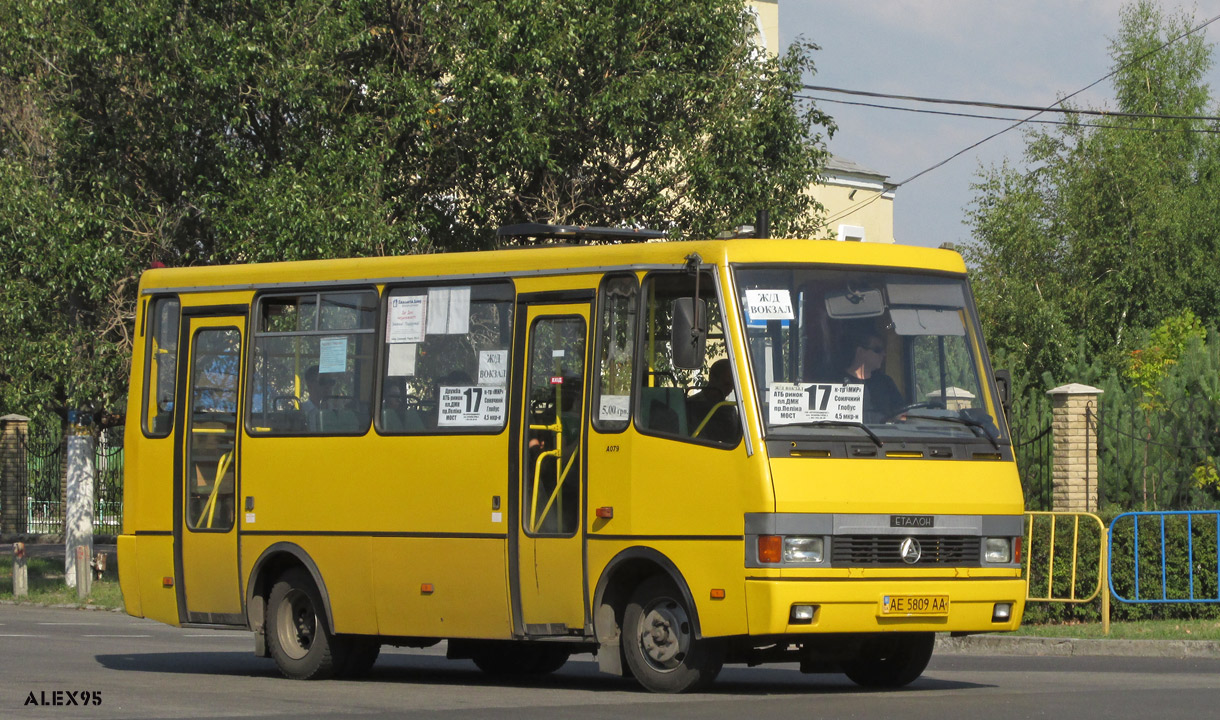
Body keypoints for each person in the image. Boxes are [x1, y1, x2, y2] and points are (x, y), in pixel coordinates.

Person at [840, 329, 904, 422]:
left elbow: (902, 414)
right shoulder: (836, 381)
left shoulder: (886, 382)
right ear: (860, 352)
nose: (883, 354)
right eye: (877, 350)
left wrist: (899, 418)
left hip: (882, 436)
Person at [687, 358, 740, 444]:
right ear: (712, 378)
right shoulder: (691, 405)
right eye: (726, 384)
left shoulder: (730, 409)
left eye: (733, 385)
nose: (730, 389)